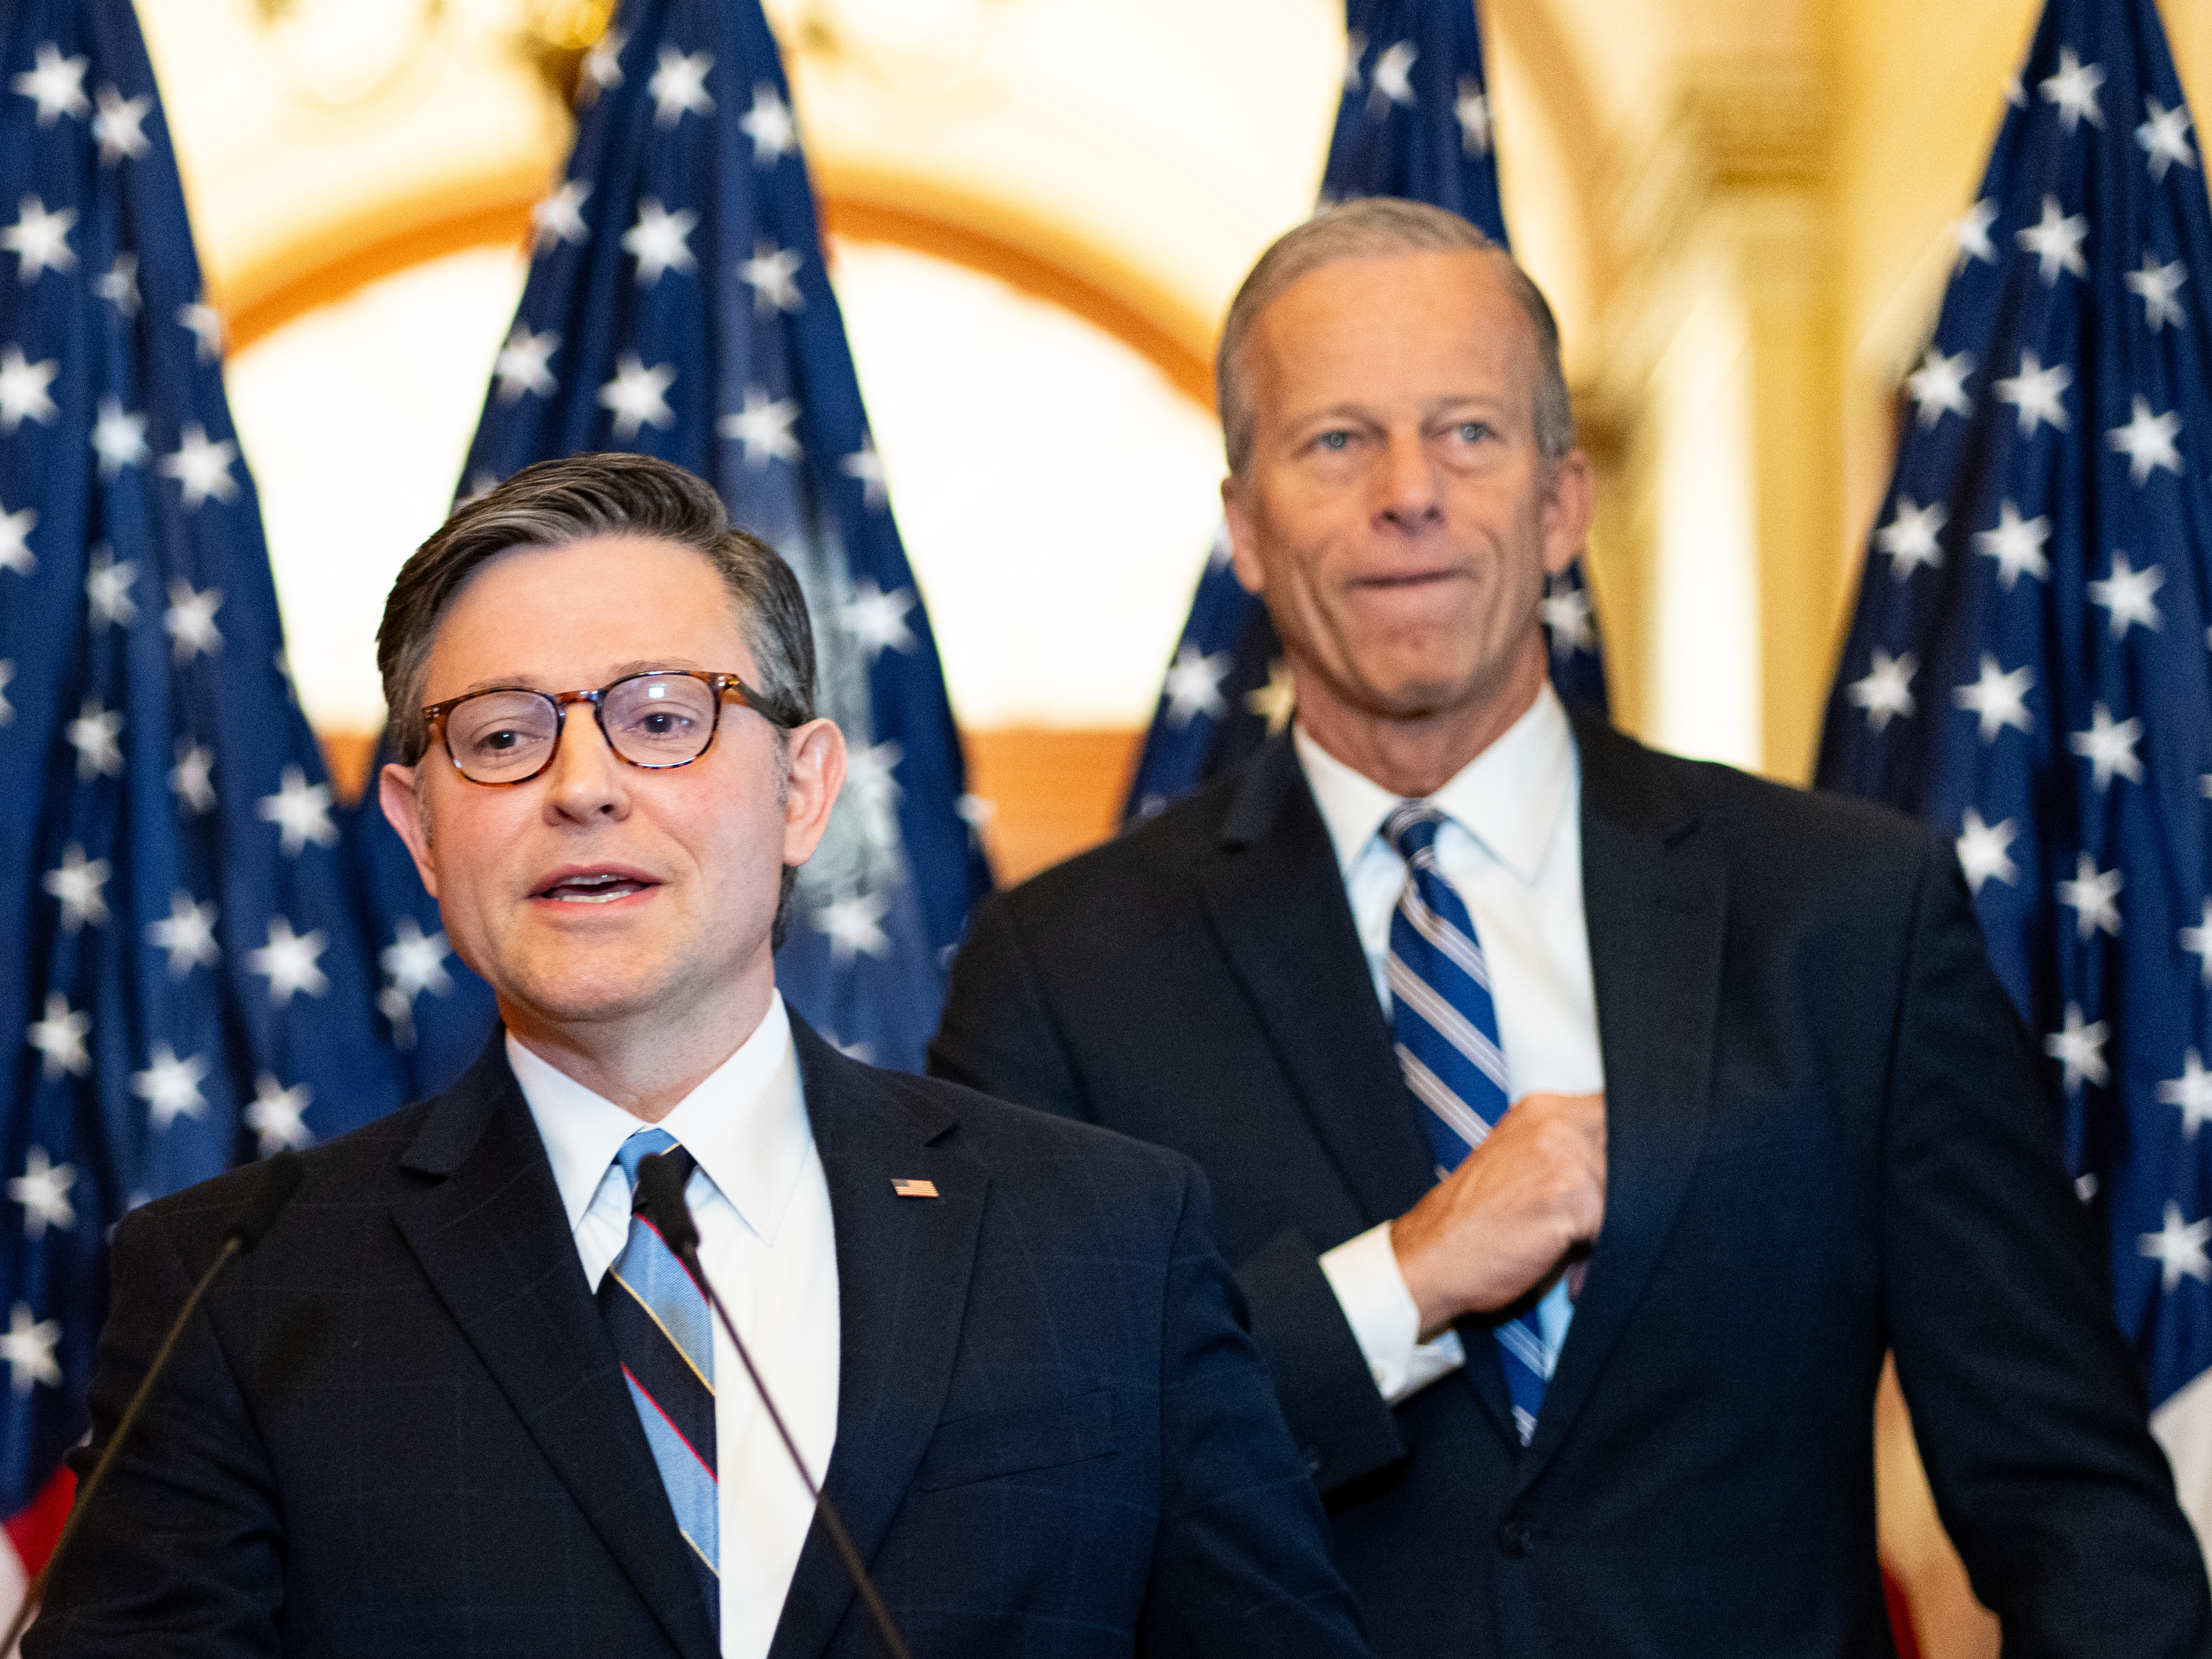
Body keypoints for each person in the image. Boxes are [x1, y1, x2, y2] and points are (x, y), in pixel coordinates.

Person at [929, 199, 2212, 1658]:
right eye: (1335, 441)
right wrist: (1401, 1279)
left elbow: (2069, 1501)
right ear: (1244, 525)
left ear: (1561, 502)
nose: (1408, 492)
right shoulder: (1056, 970)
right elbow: (1024, 1495)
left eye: (1467, 432)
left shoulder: (1844, 914)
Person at [30, 454, 1373, 1659]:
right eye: (503, 736)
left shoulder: (1107, 1242)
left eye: (663, 717)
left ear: (802, 788)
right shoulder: (238, 1286)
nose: (582, 784)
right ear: (420, 827)